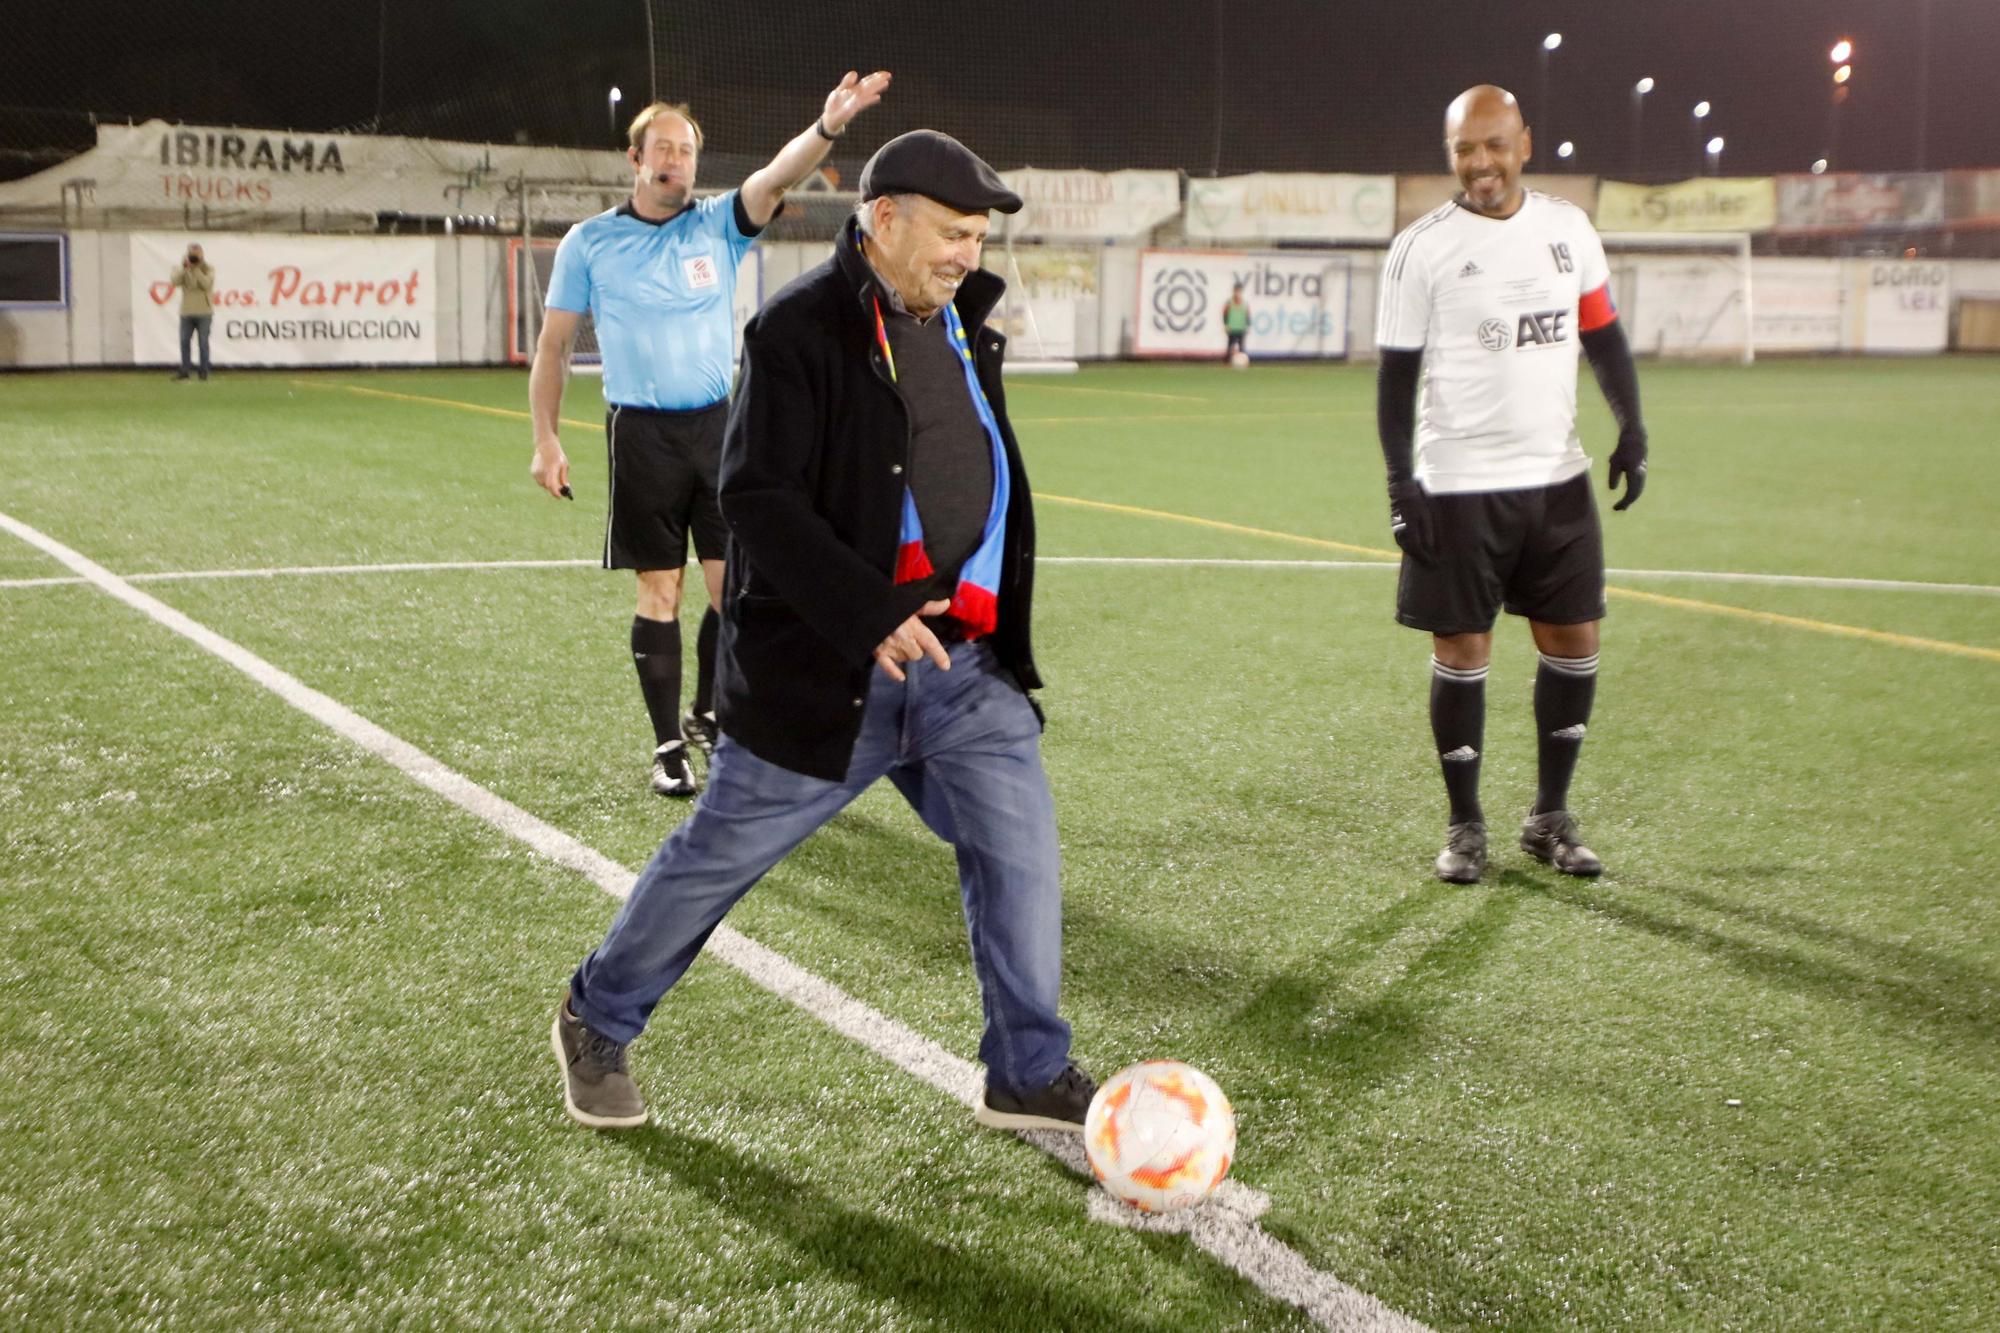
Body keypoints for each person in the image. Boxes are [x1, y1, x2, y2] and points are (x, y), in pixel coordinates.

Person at [550, 129, 1096, 1137]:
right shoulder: (795, 332)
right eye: (949, 232)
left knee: (1018, 849)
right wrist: (865, 609)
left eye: (975, 237)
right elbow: (753, 493)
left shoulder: (963, 326)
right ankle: (596, 1015)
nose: (965, 255)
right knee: (718, 856)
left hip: (960, 666)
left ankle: (1025, 1068)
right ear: (881, 219)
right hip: (826, 668)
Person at [529, 71, 891, 797]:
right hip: (641, 436)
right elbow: (555, 347)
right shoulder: (589, 243)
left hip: (721, 432)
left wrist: (828, 128)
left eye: (687, 150)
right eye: (662, 148)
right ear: (635, 160)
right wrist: (546, 438)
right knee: (659, 591)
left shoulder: (718, 224)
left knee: (737, 593)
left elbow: (775, 174)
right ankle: (669, 746)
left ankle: (711, 710)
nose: (676, 160)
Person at [1374, 85, 1649, 885]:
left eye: (1494, 145)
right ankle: (1465, 827)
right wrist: (1402, 485)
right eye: (1465, 148)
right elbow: (1395, 382)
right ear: (1450, 152)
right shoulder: (1420, 248)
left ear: (1525, 142)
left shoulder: (1568, 228)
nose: (1480, 164)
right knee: (1463, 648)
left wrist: (1631, 427)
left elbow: (1602, 333)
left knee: (1576, 640)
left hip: (1557, 482)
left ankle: (1550, 817)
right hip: (1458, 483)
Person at [170, 244, 214, 381]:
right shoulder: (182, 267)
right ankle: (185, 370)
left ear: (202, 254)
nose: (194, 257)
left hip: (204, 312)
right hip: (186, 312)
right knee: (184, 342)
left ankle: (204, 371)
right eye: (192, 253)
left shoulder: (208, 268)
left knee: (203, 343)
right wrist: (185, 268)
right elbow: (175, 282)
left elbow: (206, 284)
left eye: (197, 254)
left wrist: (196, 269)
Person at [1221, 283, 1250, 365]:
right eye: (1236, 291)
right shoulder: (1229, 302)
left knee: (1241, 348)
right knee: (1230, 346)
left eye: (1239, 291)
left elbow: (1247, 315)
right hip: (1232, 327)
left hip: (1241, 327)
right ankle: (1227, 363)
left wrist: (1247, 325)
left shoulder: (1244, 303)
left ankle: (1242, 363)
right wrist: (1225, 324)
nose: (1238, 293)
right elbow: (1225, 314)